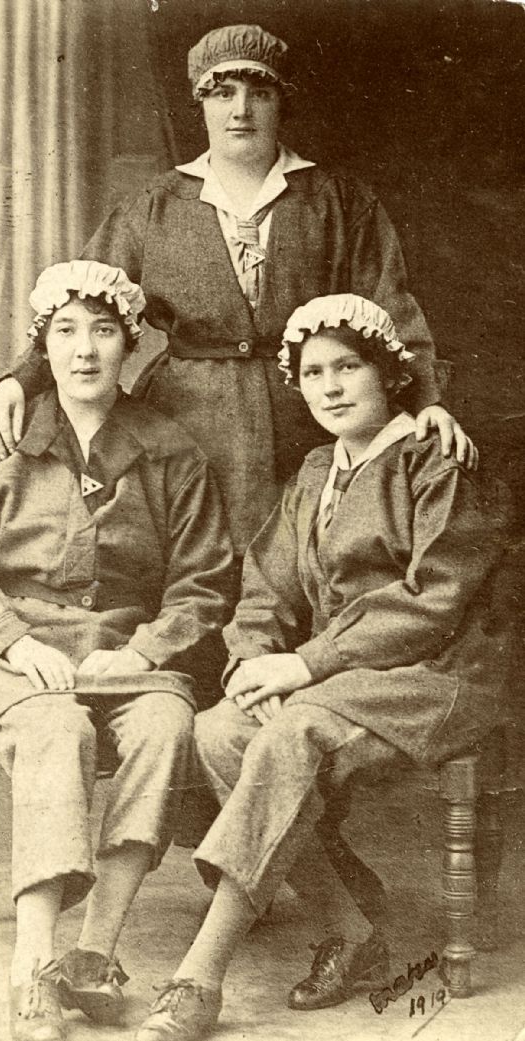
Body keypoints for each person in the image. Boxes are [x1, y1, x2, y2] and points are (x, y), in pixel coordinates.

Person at [133, 294, 512, 1041]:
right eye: (313, 373)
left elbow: (433, 603)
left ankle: (198, 976)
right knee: (219, 732)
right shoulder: (314, 471)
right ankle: (350, 926)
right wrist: (253, 664)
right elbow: (267, 587)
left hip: (435, 675)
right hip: (340, 679)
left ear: (390, 375)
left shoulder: (437, 462)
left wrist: (305, 665)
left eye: (349, 367)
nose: (331, 387)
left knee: (289, 736)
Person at [0, 24, 477, 557]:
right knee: (192, 559)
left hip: (308, 420)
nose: (241, 111)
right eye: (223, 93)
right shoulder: (155, 205)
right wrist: (15, 385)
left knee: (299, 560)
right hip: (184, 420)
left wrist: (427, 401)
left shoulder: (338, 200)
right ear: (200, 102)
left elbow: (391, 307)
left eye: (260, 93)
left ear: (281, 102)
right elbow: (75, 307)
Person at [0, 261, 233, 1041]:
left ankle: (93, 952)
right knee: (57, 727)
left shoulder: (169, 447)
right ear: (43, 345)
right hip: (11, 654)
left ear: (130, 343)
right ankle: (32, 967)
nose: (85, 349)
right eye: (65, 331)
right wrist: (15, 639)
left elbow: (204, 581)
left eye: (103, 331)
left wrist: (144, 653)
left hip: (123, 652)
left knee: (165, 725)